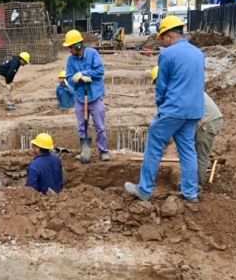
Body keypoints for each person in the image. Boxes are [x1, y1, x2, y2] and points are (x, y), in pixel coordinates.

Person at [125, 15, 205, 202]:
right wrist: (199, 111)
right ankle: (190, 193)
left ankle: (144, 190)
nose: (163, 43)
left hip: (173, 110)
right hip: (193, 111)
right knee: (187, 151)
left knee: (154, 147)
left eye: (163, 39)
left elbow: (162, 85)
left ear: (170, 36)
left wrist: (160, 104)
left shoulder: (168, 54)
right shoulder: (198, 53)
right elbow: (200, 84)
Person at [151, 66, 224, 194]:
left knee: (200, 155)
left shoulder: (179, 89)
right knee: (193, 153)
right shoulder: (179, 85)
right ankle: (190, 184)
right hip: (205, 119)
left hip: (208, 121)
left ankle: (196, 187)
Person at [62, 29, 109, 163]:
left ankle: (103, 151)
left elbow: (100, 71)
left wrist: (84, 73)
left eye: (70, 47)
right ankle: (85, 151)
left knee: (100, 125)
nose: (69, 50)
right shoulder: (71, 60)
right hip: (80, 97)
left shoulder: (93, 54)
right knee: (82, 126)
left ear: (78, 46)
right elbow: (69, 77)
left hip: (95, 95)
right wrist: (75, 78)